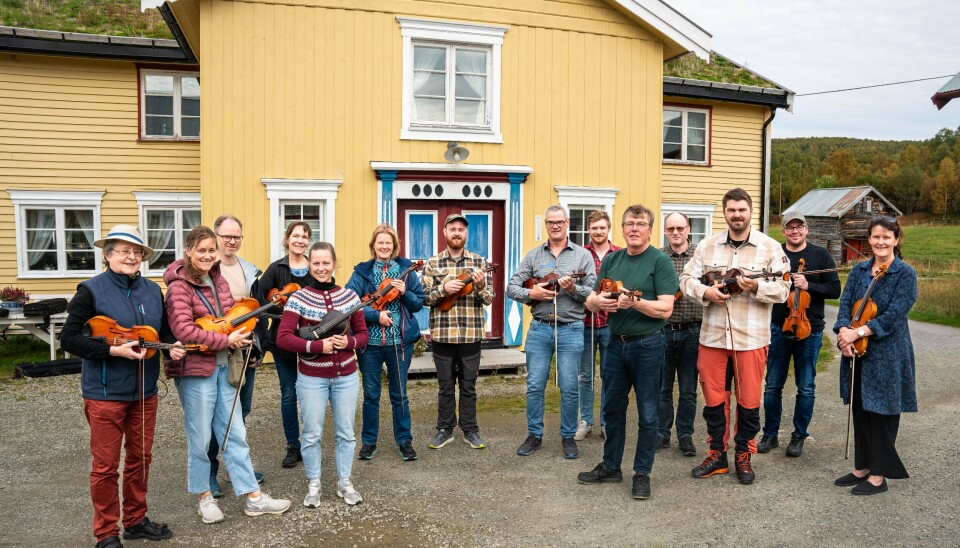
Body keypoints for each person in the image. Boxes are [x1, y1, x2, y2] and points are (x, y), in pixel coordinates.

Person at [61, 225, 184, 548]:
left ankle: (135, 520)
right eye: (123, 251)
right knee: (105, 466)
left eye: (137, 252)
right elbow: (69, 339)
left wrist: (172, 345)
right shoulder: (90, 290)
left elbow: (165, 331)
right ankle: (106, 532)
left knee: (140, 458)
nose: (131, 257)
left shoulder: (151, 290)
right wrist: (113, 350)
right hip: (104, 393)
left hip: (145, 391)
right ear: (108, 255)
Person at [164, 226, 291, 524]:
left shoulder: (218, 279)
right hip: (196, 371)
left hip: (225, 367)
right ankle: (204, 497)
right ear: (188, 251)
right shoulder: (178, 287)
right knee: (200, 437)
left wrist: (241, 329)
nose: (207, 256)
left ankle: (253, 497)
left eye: (211, 250)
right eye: (201, 250)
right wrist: (226, 341)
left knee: (235, 433)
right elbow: (184, 329)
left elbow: (227, 318)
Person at [680, 188, 790, 485]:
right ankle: (717, 454)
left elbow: (784, 289)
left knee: (749, 401)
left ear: (750, 212)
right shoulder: (707, 246)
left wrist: (755, 287)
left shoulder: (769, 248)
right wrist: (706, 292)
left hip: (750, 340)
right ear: (725, 213)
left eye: (741, 209)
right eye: (731, 210)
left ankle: (744, 454)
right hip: (713, 338)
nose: (737, 215)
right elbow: (686, 278)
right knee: (714, 400)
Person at [577, 205, 677, 500]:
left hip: (648, 344)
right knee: (612, 408)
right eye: (630, 224)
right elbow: (592, 300)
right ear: (622, 229)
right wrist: (601, 304)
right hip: (615, 343)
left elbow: (665, 308)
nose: (635, 228)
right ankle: (611, 467)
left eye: (641, 224)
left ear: (649, 229)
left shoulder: (660, 261)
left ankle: (642, 473)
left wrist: (634, 303)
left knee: (647, 412)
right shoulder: (612, 259)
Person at [277, 241, 369, 506]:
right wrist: (316, 346)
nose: (321, 268)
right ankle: (314, 484)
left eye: (326, 263)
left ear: (334, 264)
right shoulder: (299, 298)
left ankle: (344, 483)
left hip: (346, 377)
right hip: (311, 378)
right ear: (309, 264)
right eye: (315, 263)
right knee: (312, 433)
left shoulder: (350, 297)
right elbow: (283, 337)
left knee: (346, 433)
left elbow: (362, 335)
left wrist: (348, 343)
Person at [834, 216, 917, 496]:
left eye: (886, 237)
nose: (880, 242)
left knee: (881, 412)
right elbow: (846, 304)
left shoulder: (905, 274)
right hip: (857, 352)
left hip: (888, 354)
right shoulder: (859, 270)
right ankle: (862, 467)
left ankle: (879, 476)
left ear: (896, 240)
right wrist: (843, 332)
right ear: (869, 239)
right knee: (860, 409)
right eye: (875, 237)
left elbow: (895, 314)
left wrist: (859, 333)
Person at [507, 205, 596, 459]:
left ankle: (568, 437)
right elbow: (511, 287)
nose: (555, 226)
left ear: (567, 223)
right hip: (539, 328)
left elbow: (591, 292)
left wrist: (571, 289)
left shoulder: (582, 256)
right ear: (545, 225)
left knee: (569, 386)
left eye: (559, 222)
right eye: (550, 222)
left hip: (571, 327)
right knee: (534, 385)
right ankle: (534, 435)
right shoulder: (534, 256)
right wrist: (530, 294)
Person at [758, 213, 841, 457]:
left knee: (806, 387)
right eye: (789, 227)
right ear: (783, 231)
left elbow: (835, 289)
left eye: (799, 227)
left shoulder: (820, 255)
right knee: (773, 385)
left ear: (806, 229)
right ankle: (770, 434)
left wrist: (809, 286)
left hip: (810, 329)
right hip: (777, 327)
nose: (794, 231)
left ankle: (798, 435)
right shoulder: (775, 253)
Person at [345, 224, 424, 462]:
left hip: (399, 342)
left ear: (394, 246)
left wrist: (404, 293)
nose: (384, 246)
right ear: (373, 246)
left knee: (399, 394)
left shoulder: (407, 271)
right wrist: (374, 315)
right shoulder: (362, 272)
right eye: (380, 242)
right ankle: (369, 442)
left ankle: (405, 441)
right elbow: (350, 302)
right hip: (370, 343)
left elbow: (418, 303)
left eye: (388, 243)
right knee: (371, 394)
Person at [421, 213, 494, 450]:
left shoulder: (480, 263)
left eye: (461, 229)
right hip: (442, 334)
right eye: (452, 228)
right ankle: (444, 429)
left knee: (469, 385)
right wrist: (443, 289)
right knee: (444, 386)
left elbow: (489, 299)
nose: (456, 233)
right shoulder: (432, 264)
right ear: (444, 232)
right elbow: (423, 298)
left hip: (471, 334)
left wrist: (481, 285)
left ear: (466, 234)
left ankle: (470, 430)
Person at [208, 215, 267, 497]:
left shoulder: (249, 271)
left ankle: (236, 468)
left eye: (237, 237)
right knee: (215, 414)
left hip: (245, 349)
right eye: (226, 236)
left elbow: (258, 315)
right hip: (217, 349)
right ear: (215, 235)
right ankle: (209, 472)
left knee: (240, 413)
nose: (232, 241)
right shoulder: (206, 268)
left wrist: (258, 348)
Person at [259, 221, 313, 468]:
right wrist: (274, 303)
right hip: (282, 342)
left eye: (304, 236)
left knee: (311, 395)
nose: (299, 240)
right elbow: (258, 300)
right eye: (295, 235)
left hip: (311, 339)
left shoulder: (316, 267)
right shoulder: (276, 268)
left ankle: (312, 442)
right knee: (289, 395)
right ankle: (293, 445)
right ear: (287, 238)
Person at [658, 212, 703, 457]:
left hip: (692, 331)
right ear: (665, 231)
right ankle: (662, 433)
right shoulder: (657, 257)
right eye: (671, 228)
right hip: (663, 330)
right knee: (662, 388)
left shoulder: (700, 256)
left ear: (688, 229)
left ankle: (685, 434)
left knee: (688, 389)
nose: (676, 232)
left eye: (680, 228)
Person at [575, 210, 620, 441]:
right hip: (586, 323)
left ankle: (606, 421)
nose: (598, 231)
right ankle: (586, 421)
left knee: (610, 375)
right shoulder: (581, 254)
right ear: (589, 230)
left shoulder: (619, 254)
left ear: (608, 228)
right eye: (594, 228)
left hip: (612, 325)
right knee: (585, 375)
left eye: (602, 227)